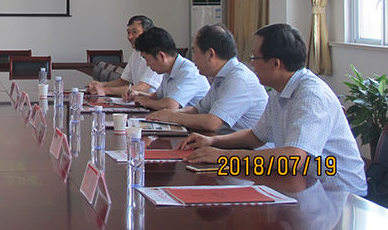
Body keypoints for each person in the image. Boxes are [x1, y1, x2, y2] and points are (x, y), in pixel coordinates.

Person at [180, 24, 367, 195]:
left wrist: (224, 157)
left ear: (275, 64)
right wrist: (212, 141)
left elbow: (293, 158)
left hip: (338, 193)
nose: (252, 64)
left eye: (254, 57)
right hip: (303, 185)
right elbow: (256, 135)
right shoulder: (280, 90)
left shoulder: (311, 95)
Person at [147, 24, 267, 134]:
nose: (193, 59)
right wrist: (169, 113)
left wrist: (173, 117)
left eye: (195, 52)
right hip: (224, 141)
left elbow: (212, 122)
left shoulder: (238, 79)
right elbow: (197, 110)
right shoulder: (220, 77)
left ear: (210, 54)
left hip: (246, 149)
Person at [124, 27, 209, 110]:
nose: (147, 64)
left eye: (147, 59)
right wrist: (138, 94)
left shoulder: (188, 73)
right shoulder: (169, 70)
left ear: (161, 56)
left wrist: (147, 102)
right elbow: (159, 96)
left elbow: (170, 105)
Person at [86, 15, 163, 97]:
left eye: (134, 32)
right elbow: (124, 81)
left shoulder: (155, 54)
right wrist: (102, 85)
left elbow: (142, 88)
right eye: (128, 32)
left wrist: (105, 90)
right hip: (138, 101)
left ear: (147, 33)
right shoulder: (136, 52)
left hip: (152, 102)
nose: (130, 37)